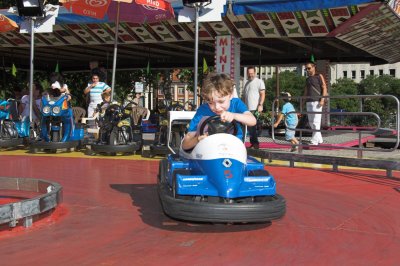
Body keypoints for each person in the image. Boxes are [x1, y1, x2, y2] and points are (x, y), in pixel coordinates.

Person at [182, 72, 256, 151]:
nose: (216, 107)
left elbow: (252, 121)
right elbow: (185, 145)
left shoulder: (236, 104)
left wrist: (234, 115)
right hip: (209, 151)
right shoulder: (202, 111)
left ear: (230, 95)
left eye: (221, 102)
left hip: (234, 149)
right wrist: (198, 139)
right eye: (210, 103)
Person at [303, 62, 328, 145]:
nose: (307, 70)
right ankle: (320, 140)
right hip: (309, 101)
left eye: (309, 68)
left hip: (317, 101)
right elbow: (306, 91)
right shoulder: (307, 79)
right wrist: (303, 102)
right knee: (311, 122)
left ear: (314, 67)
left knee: (315, 122)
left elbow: (324, 87)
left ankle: (314, 141)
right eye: (306, 69)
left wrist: (322, 100)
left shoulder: (319, 76)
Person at [242, 66, 266, 149]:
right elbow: (244, 97)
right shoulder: (247, 83)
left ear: (255, 73)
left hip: (255, 108)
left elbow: (262, 94)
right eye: (249, 73)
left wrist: (260, 105)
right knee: (250, 127)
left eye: (252, 73)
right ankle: (253, 143)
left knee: (252, 127)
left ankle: (255, 144)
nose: (250, 75)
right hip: (247, 109)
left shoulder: (259, 82)